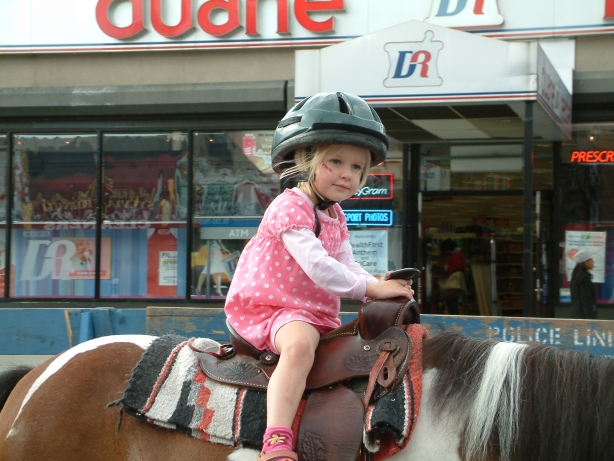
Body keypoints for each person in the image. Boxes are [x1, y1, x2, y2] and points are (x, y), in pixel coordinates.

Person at [224, 92, 414, 461]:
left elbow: (347, 264)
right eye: (336, 161)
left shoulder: (335, 215)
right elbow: (320, 267)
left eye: (357, 167)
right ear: (304, 160)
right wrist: (371, 287)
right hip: (272, 308)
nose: (347, 173)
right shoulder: (290, 206)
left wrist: (378, 288)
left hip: (311, 311)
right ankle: (276, 440)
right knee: (299, 347)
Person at [438, 238, 466, 315]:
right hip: (454, 283)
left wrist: (444, 267)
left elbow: (458, 267)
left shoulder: (456, 255)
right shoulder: (455, 255)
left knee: (452, 304)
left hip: (453, 283)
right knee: (452, 303)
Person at [569, 250, 597, 319]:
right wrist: (590, 319)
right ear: (586, 262)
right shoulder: (584, 279)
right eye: (591, 260)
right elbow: (586, 300)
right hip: (583, 316)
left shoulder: (575, 276)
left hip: (575, 313)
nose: (593, 262)